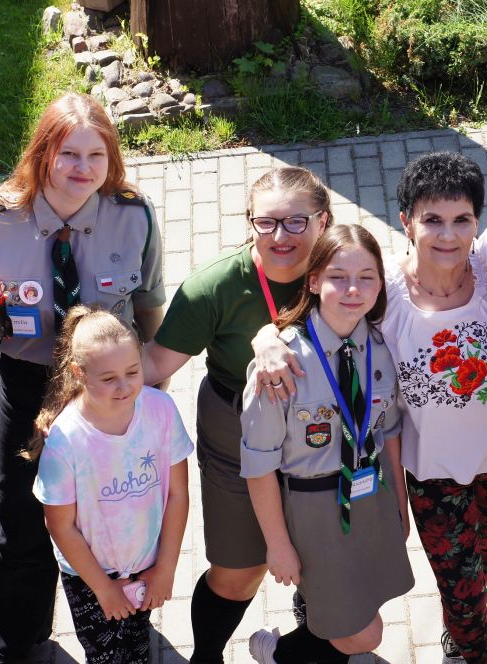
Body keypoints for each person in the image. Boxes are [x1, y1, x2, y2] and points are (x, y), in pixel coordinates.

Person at [251, 152, 487, 664]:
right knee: (462, 589)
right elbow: (320, 313)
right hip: (431, 476)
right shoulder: (384, 289)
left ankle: (452, 637)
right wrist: (266, 338)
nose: (448, 235)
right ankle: (472, 655)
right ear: (406, 221)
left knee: (482, 561)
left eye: (461, 220)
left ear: (477, 222)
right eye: (432, 220)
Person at [0, 92, 165, 664]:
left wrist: (151, 383)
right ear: (43, 153)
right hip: (28, 379)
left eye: (96, 155)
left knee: (117, 509)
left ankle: (124, 624)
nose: (82, 169)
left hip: (107, 390)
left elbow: (148, 300)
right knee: (21, 517)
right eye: (68, 154)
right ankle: (16, 642)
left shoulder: (134, 215)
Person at [141, 166, 333, 663]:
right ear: (250, 222)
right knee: (239, 571)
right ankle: (206, 656)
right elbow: (154, 363)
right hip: (236, 432)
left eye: (296, 221)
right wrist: (82, 394)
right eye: (266, 222)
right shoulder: (215, 287)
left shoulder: (345, 268)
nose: (280, 236)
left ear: (324, 220)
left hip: (325, 434)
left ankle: (302, 633)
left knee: (322, 559)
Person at [241, 224, 414, 664]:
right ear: (314, 281)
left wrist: (400, 504)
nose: (353, 289)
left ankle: (313, 630)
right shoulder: (281, 362)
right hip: (313, 508)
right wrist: (278, 545)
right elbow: (259, 465)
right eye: (338, 276)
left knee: (363, 598)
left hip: (371, 493)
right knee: (363, 635)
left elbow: (390, 432)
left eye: (367, 277)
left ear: (380, 285)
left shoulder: (380, 345)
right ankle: (277, 653)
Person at [28, 306, 192, 662]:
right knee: (105, 655)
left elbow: (179, 494)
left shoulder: (162, 410)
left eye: (133, 372)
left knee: (137, 642)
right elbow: (60, 525)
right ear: (79, 373)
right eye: (108, 378)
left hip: (147, 561)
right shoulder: (65, 440)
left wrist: (166, 567)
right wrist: (104, 589)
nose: (125, 386)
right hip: (90, 577)